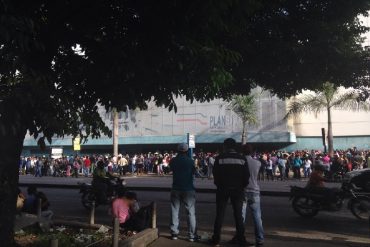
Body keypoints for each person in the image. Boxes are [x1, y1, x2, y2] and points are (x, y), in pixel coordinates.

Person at [210, 138, 250, 247]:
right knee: (238, 215)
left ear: (225, 146)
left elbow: (216, 175)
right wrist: (241, 186)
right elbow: (246, 176)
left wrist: (220, 185)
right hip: (237, 190)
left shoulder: (219, 158)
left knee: (220, 215)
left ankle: (216, 240)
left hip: (222, 190)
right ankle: (241, 239)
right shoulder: (242, 159)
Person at [169, 143, 199, 242]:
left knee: (174, 210)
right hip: (188, 189)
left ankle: (174, 234)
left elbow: (171, 169)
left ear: (178, 151)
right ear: (186, 151)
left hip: (176, 188)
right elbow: (194, 172)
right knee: (190, 213)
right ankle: (191, 235)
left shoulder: (173, 161)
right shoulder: (190, 161)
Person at [241, 144, 264, 246]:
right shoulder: (257, 163)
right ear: (252, 152)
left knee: (241, 216)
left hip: (243, 191)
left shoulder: (240, 162)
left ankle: (240, 237)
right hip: (254, 191)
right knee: (257, 217)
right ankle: (260, 239)